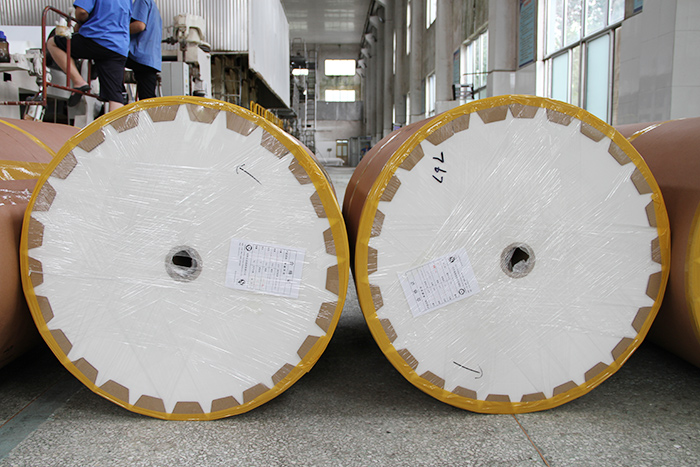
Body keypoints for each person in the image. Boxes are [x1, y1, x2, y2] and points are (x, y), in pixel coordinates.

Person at [47, 0, 132, 112]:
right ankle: (116, 123)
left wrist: (79, 23)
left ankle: (79, 82)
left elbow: (82, 11)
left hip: (97, 38)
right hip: (119, 46)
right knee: (115, 96)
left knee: (52, 43)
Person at [127, 0, 163, 100]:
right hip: (151, 59)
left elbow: (139, 25)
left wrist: (119, 30)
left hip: (139, 54)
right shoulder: (154, 8)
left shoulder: (142, 1)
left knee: (110, 55)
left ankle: (117, 93)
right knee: (148, 99)